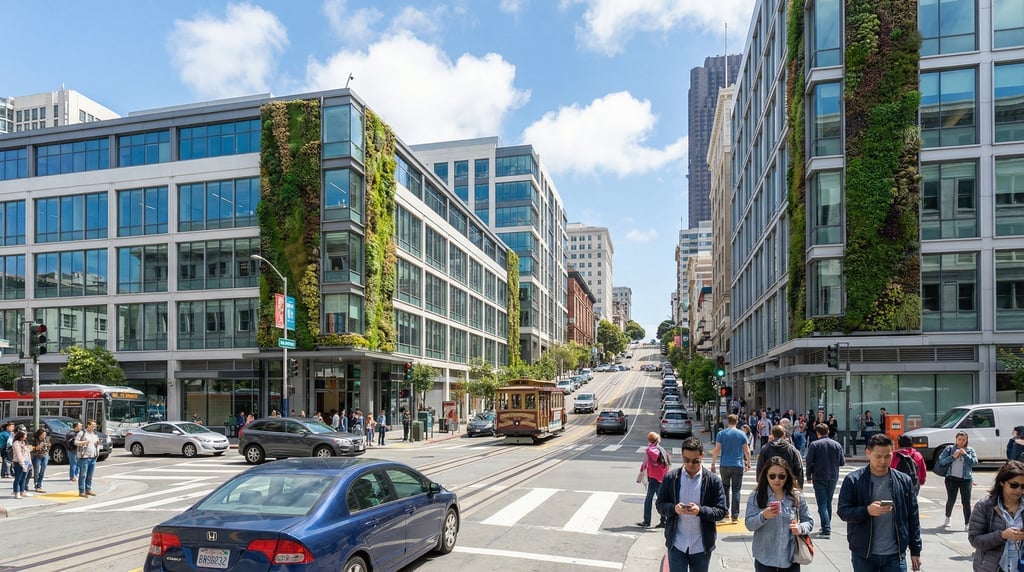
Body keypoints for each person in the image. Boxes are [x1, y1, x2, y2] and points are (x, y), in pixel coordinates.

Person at [837, 433, 922, 572]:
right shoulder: (853, 480)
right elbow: (843, 511)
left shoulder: (903, 481)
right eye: (878, 456)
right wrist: (867, 511)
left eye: (888, 456)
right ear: (868, 453)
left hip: (895, 554)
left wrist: (915, 550)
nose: (883, 461)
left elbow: (913, 517)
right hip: (864, 554)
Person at [655, 436, 727, 572]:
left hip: (701, 547)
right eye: (686, 460)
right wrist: (674, 509)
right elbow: (660, 504)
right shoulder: (671, 478)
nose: (690, 464)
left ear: (702, 456)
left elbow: (721, 511)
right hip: (677, 545)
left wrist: (700, 511)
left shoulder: (713, 481)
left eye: (695, 461)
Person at [745, 456, 814, 571]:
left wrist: (800, 528)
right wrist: (763, 516)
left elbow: (809, 521)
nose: (777, 480)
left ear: (787, 476)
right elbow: (749, 524)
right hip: (765, 559)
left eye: (781, 476)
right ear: (766, 476)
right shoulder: (756, 496)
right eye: (772, 476)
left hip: (790, 558)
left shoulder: (796, 496)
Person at [967, 460, 1024, 572]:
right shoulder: (985, 506)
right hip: (993, 567)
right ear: (1002, 482)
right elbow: (974, 539)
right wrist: (1002, 535)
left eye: (1023, 486)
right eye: (1014, 485)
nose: (1019, 490)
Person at [805, 422, 846, 539]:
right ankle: (826, 526)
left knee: (822, 503)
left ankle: (826, 528)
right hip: (833, 476)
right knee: (828, 502)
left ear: (817, 433)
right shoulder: (837, 444)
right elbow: (842, 462)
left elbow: (809, 462)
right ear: (828, 432)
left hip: (819, 476)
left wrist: (808, 476)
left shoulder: (814, 445)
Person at [709, 414, 751, 523]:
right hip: (738, 464)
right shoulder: (741, 434)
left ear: (728, 421)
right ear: (737, 422)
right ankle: (735, 516)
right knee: (736, 490)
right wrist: (748, 463)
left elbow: (717, 449)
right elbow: (746, 450)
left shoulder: (721, 434)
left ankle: (726, 512)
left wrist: (713, 463)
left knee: (725, 489)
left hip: (724, 464)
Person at [938, 430, 979, 530]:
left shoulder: (970, 450)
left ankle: (967, 523)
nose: (961, 442)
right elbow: (942, 462)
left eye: (963, 440)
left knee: (966, 502)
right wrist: (953, 457)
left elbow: (975, 462)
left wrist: (965, 454)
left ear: (966, 440)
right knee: (951, 499)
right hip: (951, 478)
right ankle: (947, 518)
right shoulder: (949, 449)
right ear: (956, 440)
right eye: (959, 439)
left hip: (966, 479)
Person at [638, 432, 670, 528]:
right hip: (662, 476)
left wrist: (640, 474)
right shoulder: (662, 450)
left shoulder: (649, 450)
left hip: (653, 477)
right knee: (661, 499)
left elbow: (644, 463)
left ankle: (647, 521)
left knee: (649, 499)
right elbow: (668, 462)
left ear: (649, 440)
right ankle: (663, 520)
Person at [758, 425, 805, 489]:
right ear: (784, 434)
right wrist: (800, 484)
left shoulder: (765, 448)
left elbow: (760, 466)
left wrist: (759, 481)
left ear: (772, 434)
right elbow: (798, 467)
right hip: (788, 480)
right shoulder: (791, 448)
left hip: (770, 481)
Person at [75, 420, 101, 498]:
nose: (94, 427)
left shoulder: (95, 435)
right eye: (93, 425)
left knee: (90, 475)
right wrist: (84, 442)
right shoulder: (82, 433)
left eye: (95, 426)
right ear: (88, 425)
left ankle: (88, 489)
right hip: (84, 457)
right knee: (83, 475)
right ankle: (81, 491)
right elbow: (75, 442)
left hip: (93, 457)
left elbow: (96, 445)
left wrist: (98, 446)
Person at [10, 430, 30, 499]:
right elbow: (19, 455)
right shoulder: (16, 443)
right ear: (21, 436)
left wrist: (29, 463)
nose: (26, 436)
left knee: (24, 478)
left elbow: (27, 453)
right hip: (18, 462)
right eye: (25, 435)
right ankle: (16, 492)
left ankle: (22, 491)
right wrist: (23, 464)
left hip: (26, 462)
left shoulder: (23, 442)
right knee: (18, 478)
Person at [30, 427, 50, 493]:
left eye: (45, 434)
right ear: (39, 434)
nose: (44, 436)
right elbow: (31, 448)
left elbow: (48, 446)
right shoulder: (35, 439)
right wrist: (36, 448)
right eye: (43, 435)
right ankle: (37, 485)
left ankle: (39, 484)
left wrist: (48, 445)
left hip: (45, 455)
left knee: (42, 471)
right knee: (36, 472)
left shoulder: (46, 439)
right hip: (37, 456)